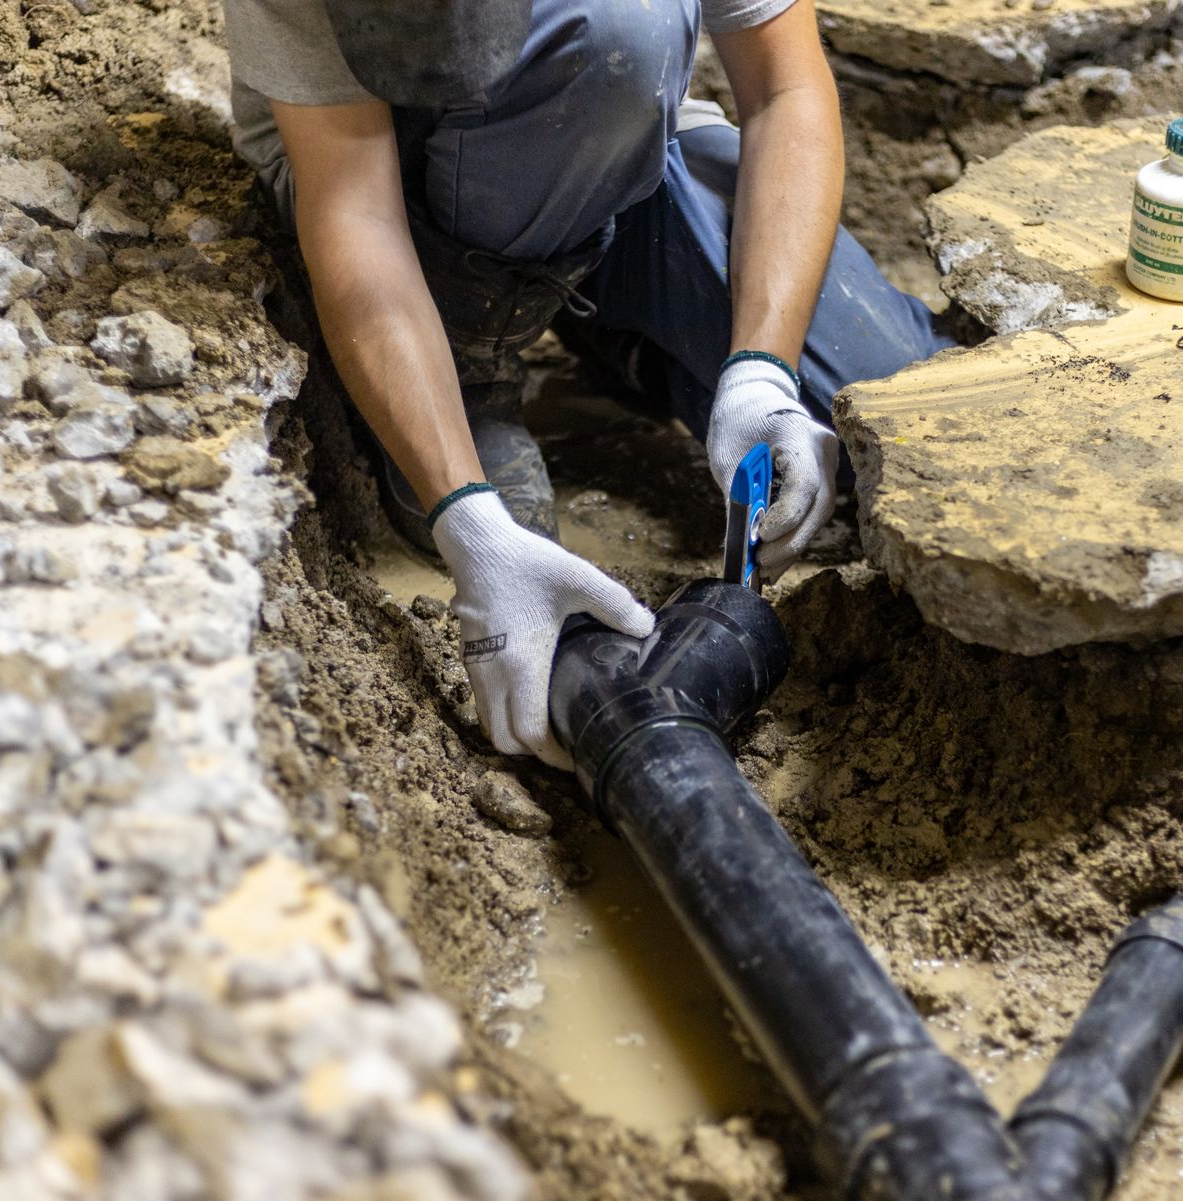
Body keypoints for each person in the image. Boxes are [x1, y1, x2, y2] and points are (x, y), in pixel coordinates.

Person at [222, 0, 950, 766]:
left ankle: (610, 314)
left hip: (621, 124)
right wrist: (469, 518)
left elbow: (785, 89)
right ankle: (469, 348)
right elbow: (354, 212)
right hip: (379, 172)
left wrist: (763, 369)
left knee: (884, 407)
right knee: (617, 36)